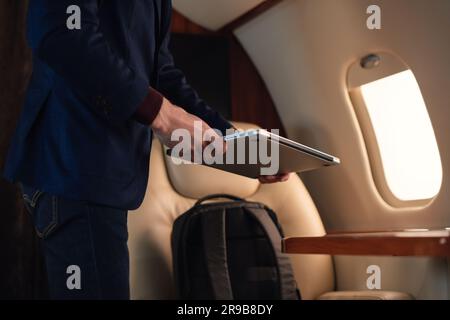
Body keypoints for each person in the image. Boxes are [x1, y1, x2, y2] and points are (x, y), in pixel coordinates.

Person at [3, 0, 289, 299]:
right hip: (74, 167)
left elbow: (161, 75)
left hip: (101, 177)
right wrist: (161, 114)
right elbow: (61, 31)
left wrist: (243, 150)